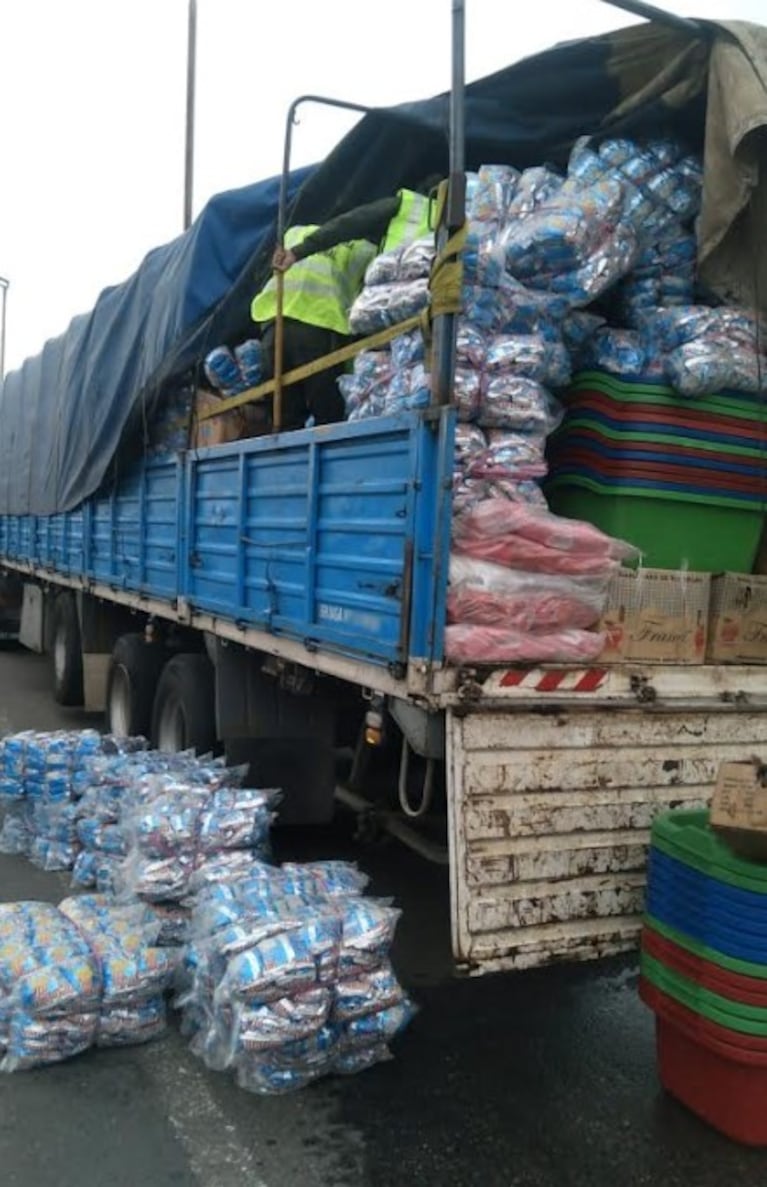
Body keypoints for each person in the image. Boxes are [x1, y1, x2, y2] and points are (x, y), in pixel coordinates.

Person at [251, 224, 375, 431]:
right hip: (319, 324)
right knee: (328, 411)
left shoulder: (294, 233)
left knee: (285, 415)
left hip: (275, 325)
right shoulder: (362, 248)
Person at [272, 178, 443, 274]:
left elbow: (351, 223)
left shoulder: (410, 204)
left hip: (394, 286)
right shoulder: (457, 217)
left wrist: (298, 251)